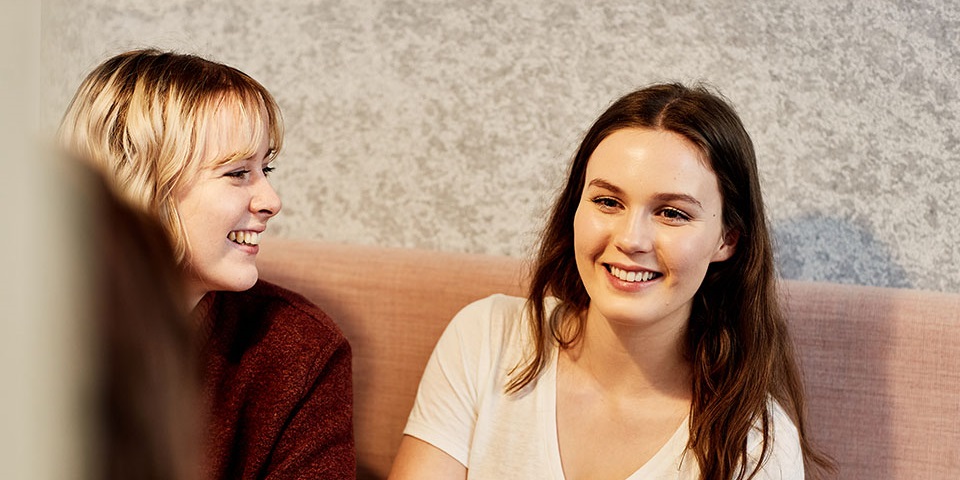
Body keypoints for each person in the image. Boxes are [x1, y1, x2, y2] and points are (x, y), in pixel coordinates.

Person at [389, 83, 833, 479]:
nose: (630, 239)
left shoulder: (756, 449)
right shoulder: (486, 339)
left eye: (672, 213)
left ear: (727, 240)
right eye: (607, 201)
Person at [59, 49, 355, 479]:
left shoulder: (298, 350)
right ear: (136, 183)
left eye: (266, 168)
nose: (272, 201)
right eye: (237, 173)